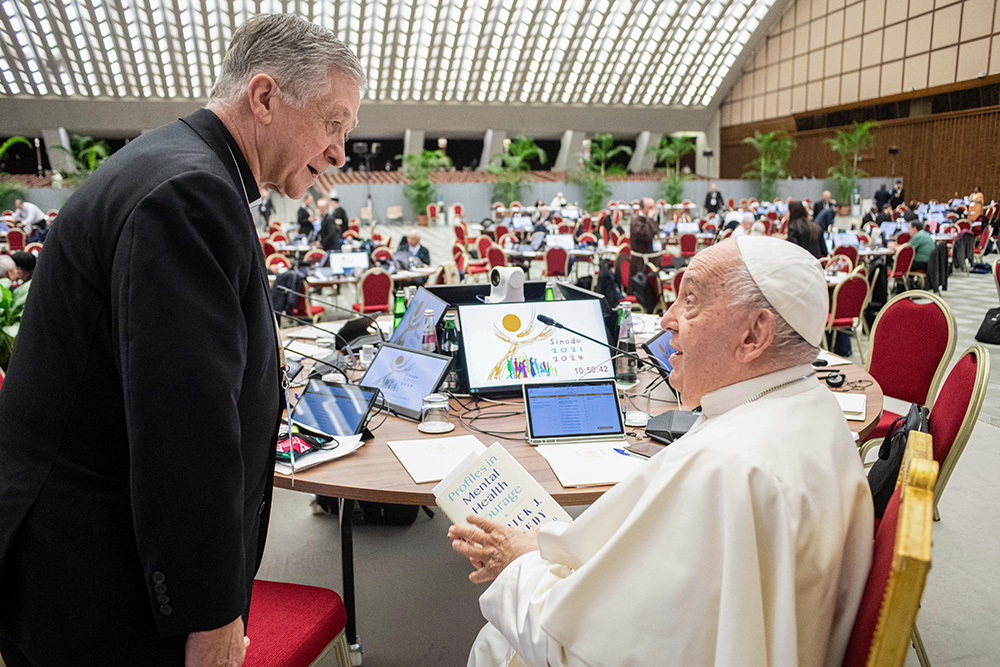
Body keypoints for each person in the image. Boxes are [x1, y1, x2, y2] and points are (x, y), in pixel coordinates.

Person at [0, 14, 363, 667]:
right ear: (263, 98)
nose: (341, 150)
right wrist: (211, 614)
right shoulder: (191, 192)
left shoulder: (176, 167)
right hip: (99, 578)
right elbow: (184, 428)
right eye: (333, 122)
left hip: (83, 550)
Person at [450, 236, 873, 667]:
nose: (667, 319)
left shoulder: (725, 468)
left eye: (690, 300)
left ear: (754, 334)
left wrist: (516, 562)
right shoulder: (814, 406)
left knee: (495, 643)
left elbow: (582, 651)